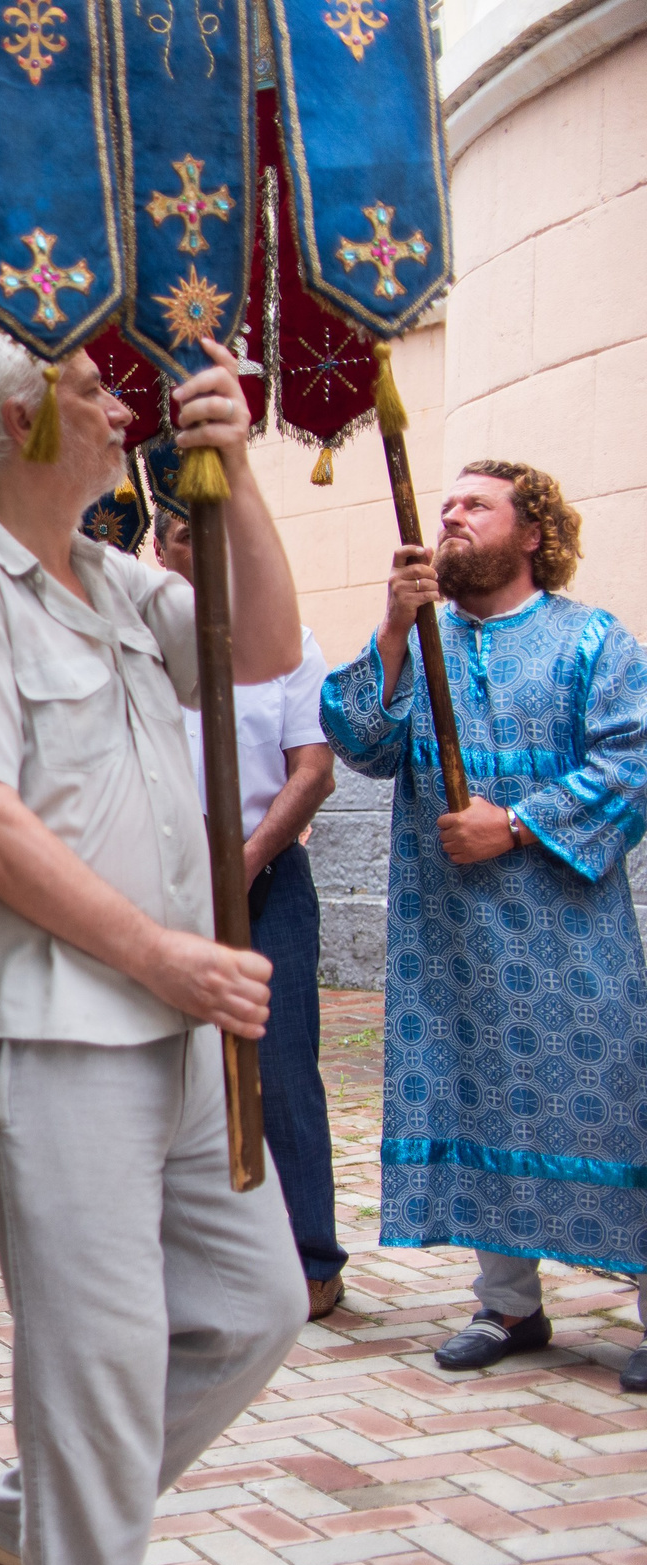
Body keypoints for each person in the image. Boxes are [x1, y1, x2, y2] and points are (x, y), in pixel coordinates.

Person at [0, 329, 309, 1565]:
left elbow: (263, 649)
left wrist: (233, 469)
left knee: (254, 1305)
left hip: (174, 1017)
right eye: (89, 384)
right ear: (21, 417)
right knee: (96, 1352)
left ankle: (32, 1514)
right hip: (54, 1018)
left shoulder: (123, 582)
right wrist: (166, 958)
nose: (122, 400)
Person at [321, 461, 647, 1390]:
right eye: (448, 505)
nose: (452, 517)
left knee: (618, 1096)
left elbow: (637, 757)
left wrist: (517, 822)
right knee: (481, 1090)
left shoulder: (592, 641)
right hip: (453, 940)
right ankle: (507, 1304)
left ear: (532, 532)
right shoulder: (423, 641)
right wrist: (390, 623)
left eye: (477, 506)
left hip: (573, 934)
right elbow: (360, 738)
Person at [158, 508, 341, 1318]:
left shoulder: (286, 643)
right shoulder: (141, 650)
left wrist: (242, 863)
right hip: (160, 885)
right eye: (182, 531)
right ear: (158, 545)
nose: (198, 543)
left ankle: (314, 1259)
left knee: (283, 1074)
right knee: (172, 1072)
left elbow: (312, 769)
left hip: (265, 881)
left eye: (211, 527)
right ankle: (201, 1263)